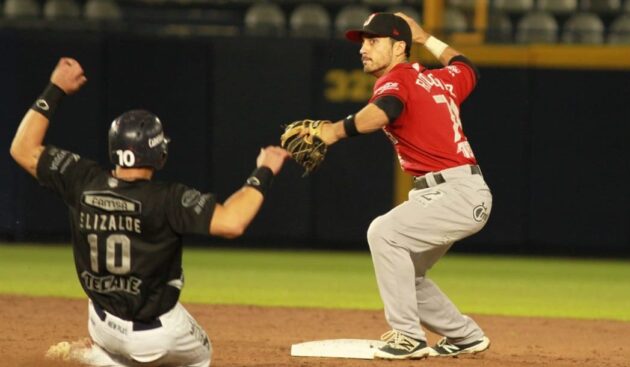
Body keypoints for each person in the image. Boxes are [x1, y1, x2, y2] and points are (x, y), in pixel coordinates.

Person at [10, 57, 289, 367]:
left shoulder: (82, 179)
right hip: (157, 335)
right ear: (158, 153)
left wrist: (56, 88)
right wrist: (264, 171)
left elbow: (22, 148)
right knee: (201, 355)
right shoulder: (167, 199)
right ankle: (103, 361)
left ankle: (101, 356)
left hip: (100, 322)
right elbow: (233, 222)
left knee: (119, 337)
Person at [306, 12, 493, 359]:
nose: (364, 49)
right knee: (409, 273)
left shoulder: (398, 79)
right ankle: (464, 335)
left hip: (453, 192)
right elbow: (467, 67)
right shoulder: (438, 79)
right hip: (460, 191)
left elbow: (386, 109)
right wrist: (426, 38)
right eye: (362, 42)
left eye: (373, 41)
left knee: (383, 233)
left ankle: (408, 336)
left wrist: (333, 131)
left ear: (398, 47)